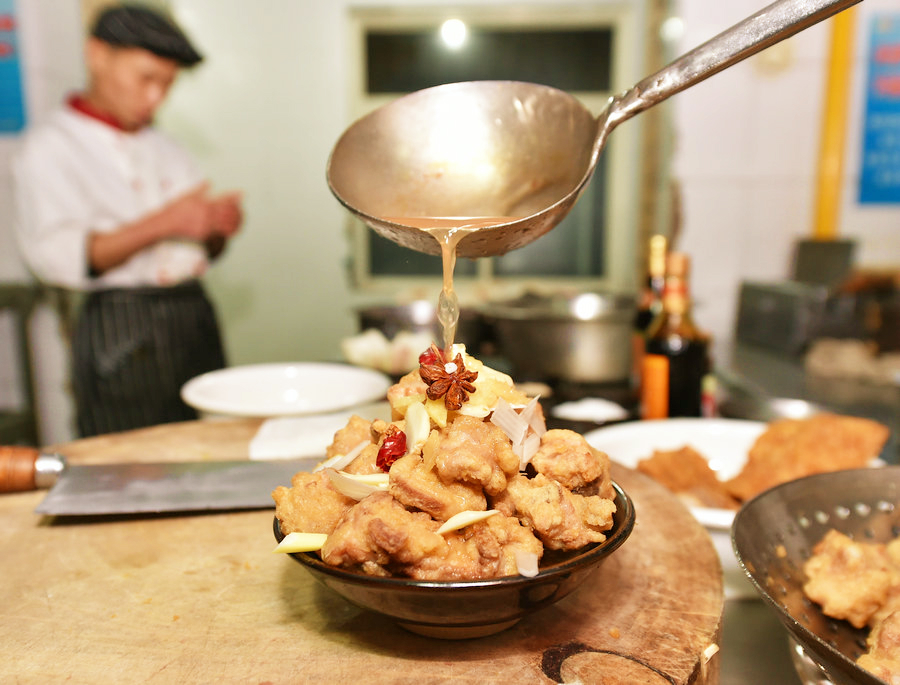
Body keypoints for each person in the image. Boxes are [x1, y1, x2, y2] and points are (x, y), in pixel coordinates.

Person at [12, 5, 243, 437]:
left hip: (192, 314)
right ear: (97, 55)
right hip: (119, 324)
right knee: (128, 466)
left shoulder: (167, 147)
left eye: (167, 84)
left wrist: (213, 228)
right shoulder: (48, 148)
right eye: (146, 79)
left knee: (206, 445)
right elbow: (64, 259)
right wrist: (167, 222)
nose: (156, 97)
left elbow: (199, 250)